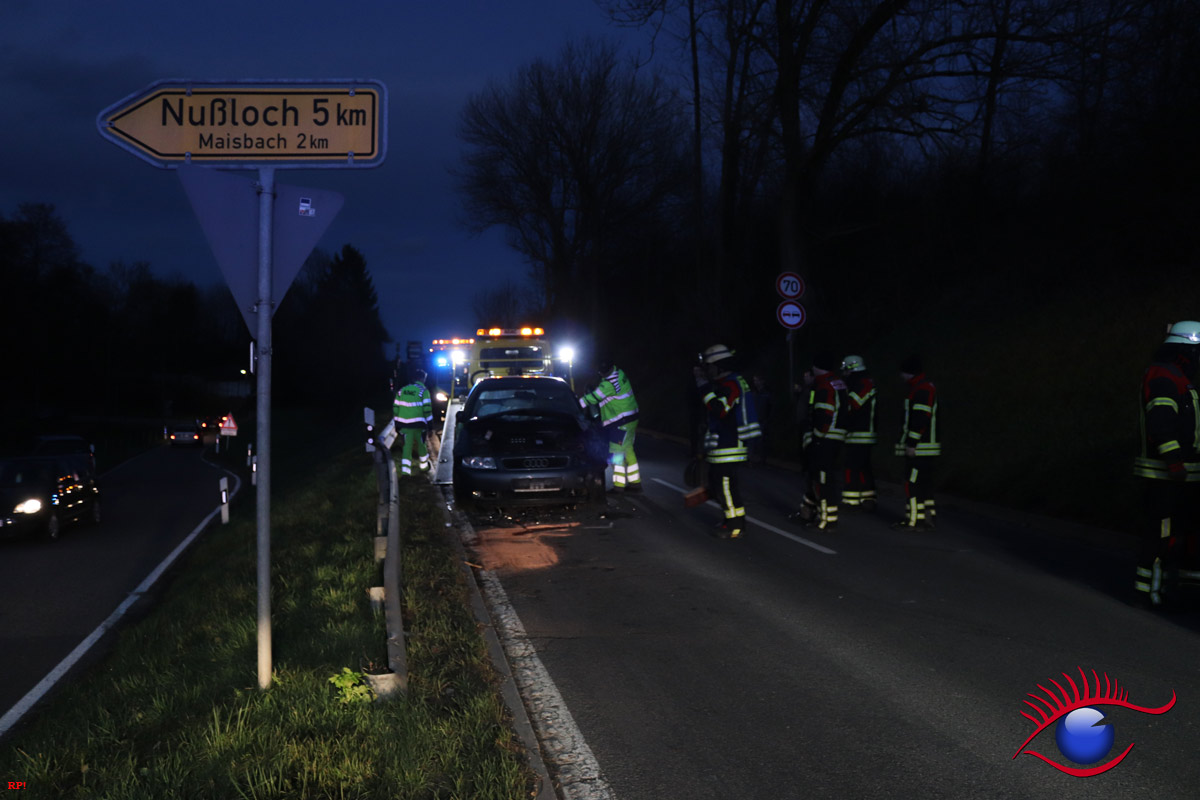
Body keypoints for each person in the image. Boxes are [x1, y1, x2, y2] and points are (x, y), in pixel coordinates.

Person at [1132, 321, 1200, 608]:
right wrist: (1174, 463)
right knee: (1162, 535)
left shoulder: (1178, 378)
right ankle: (1150, 593)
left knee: (1185, 534)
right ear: (1185, 351)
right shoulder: (1165, 377)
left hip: (1185, 477)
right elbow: (1160, 425)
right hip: (1165, 478)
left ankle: (1183, 591)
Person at [696, 344, 760, 538]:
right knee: (723, 485)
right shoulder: (730, 382)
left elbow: (720, 410)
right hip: (726, 443)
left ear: (719, 366)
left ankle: (734, 525)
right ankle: (733, 520)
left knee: (724, 485)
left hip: (729, 444)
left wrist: (703, 387)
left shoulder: (731, 384)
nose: (708, 371)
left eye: (710, 367)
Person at [790, 352, 846, 530]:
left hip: (824, 439)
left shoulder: (824, 386)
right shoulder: (837, 383)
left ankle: (827, 520)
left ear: (817, 367)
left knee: (822, 480)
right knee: (816, 477)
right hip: (835, 437)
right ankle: (809, 512)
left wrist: (816, 436)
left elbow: (823, 414)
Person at [892, 354, 940, 531]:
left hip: (919, 448)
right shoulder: (925, 387)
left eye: (902, 372)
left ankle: (914, 521)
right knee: (924, 485)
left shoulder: (920, 390)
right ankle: (927, 518)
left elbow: (920, 419)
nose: (901, 376)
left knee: (912, 484)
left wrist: (912, 443)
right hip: (927, 448)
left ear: (909, 372)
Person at [580, 358, 641, 491]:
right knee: (628, 449)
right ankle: (635, 483)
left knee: (616, 453)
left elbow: (593, 398)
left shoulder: (608, 385)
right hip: (631, 417)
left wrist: (577, 404)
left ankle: (619, 486)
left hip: (620, 421)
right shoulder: (619, 372)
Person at [841, 355, 878, 511]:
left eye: (845, 369)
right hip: (860, 432)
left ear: (852, 368)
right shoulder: (863, 382)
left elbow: (853, 404)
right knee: (863, 467)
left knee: (852, 467)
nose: (844, 373)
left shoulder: (862, 383)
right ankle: (868, 498)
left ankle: (851, 501)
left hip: (860, 433)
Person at [393, 368, 433, 476]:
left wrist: (397, 424)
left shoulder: (402, 390)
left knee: (407, 447)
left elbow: (396, 409)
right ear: (422, 379)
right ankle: (424, 467)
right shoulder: (423, 391)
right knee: (421, 445)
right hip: (419, 425)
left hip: (404, 425)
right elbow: (427, 410)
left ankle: (406, 472)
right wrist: (430, 427)